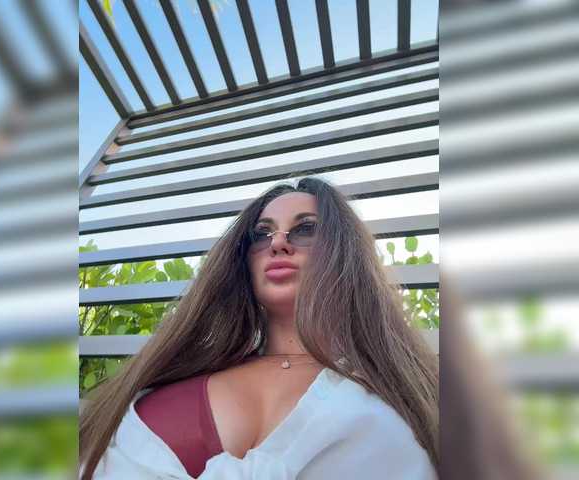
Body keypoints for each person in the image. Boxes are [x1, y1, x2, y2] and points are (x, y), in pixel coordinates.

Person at [79, 176, 439, 479]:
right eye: (262, 234)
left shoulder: (407, 392)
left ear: (345, 252)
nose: (278, 243)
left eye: (305, 229)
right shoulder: (166, 380)